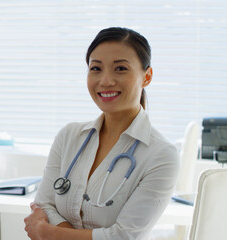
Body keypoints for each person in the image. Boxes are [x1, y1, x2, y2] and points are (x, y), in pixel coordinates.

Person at [24, 27, 180, 240]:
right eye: (96, 68)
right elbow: (42, 206)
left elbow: (123, 236)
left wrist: (45, 232)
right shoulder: (69, 136)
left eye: (121, 69)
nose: (106, 80)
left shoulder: (161, 155)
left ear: (147, 76)